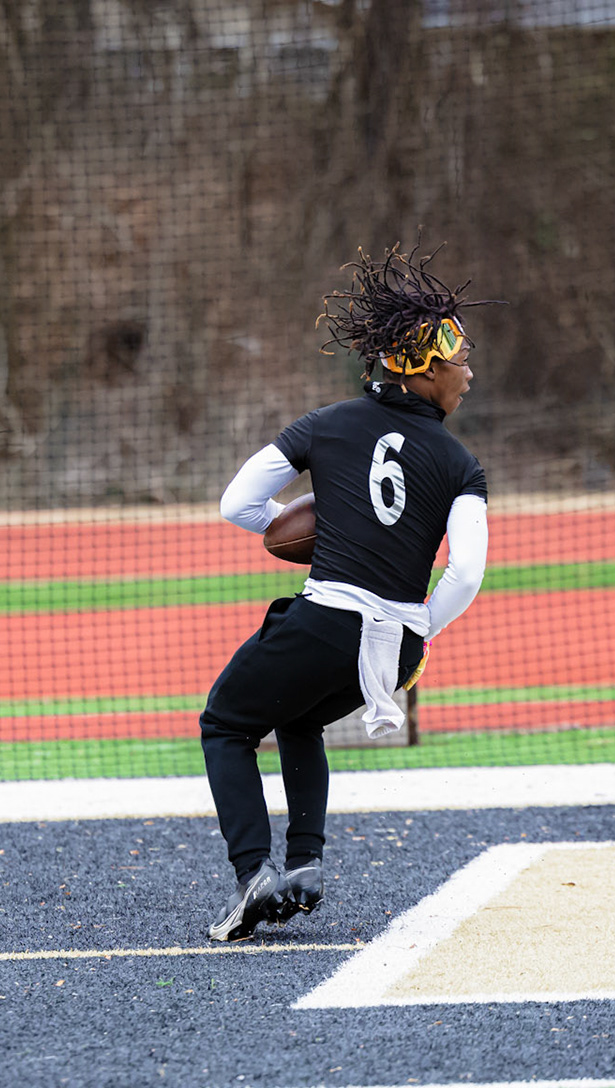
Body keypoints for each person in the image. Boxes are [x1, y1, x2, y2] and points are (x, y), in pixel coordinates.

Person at [199, 246, 493, 940]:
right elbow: (466, 573)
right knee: (299, 720)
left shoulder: (324, 424)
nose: (470, 373)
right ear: (423, 370)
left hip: (326, 623)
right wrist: (420, 626)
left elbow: (237, 504)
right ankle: (304, 865)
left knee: (226, 724)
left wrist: (300, 527)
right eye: (460, 361)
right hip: (396, 648)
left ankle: (255, 873)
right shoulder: (462, 464)